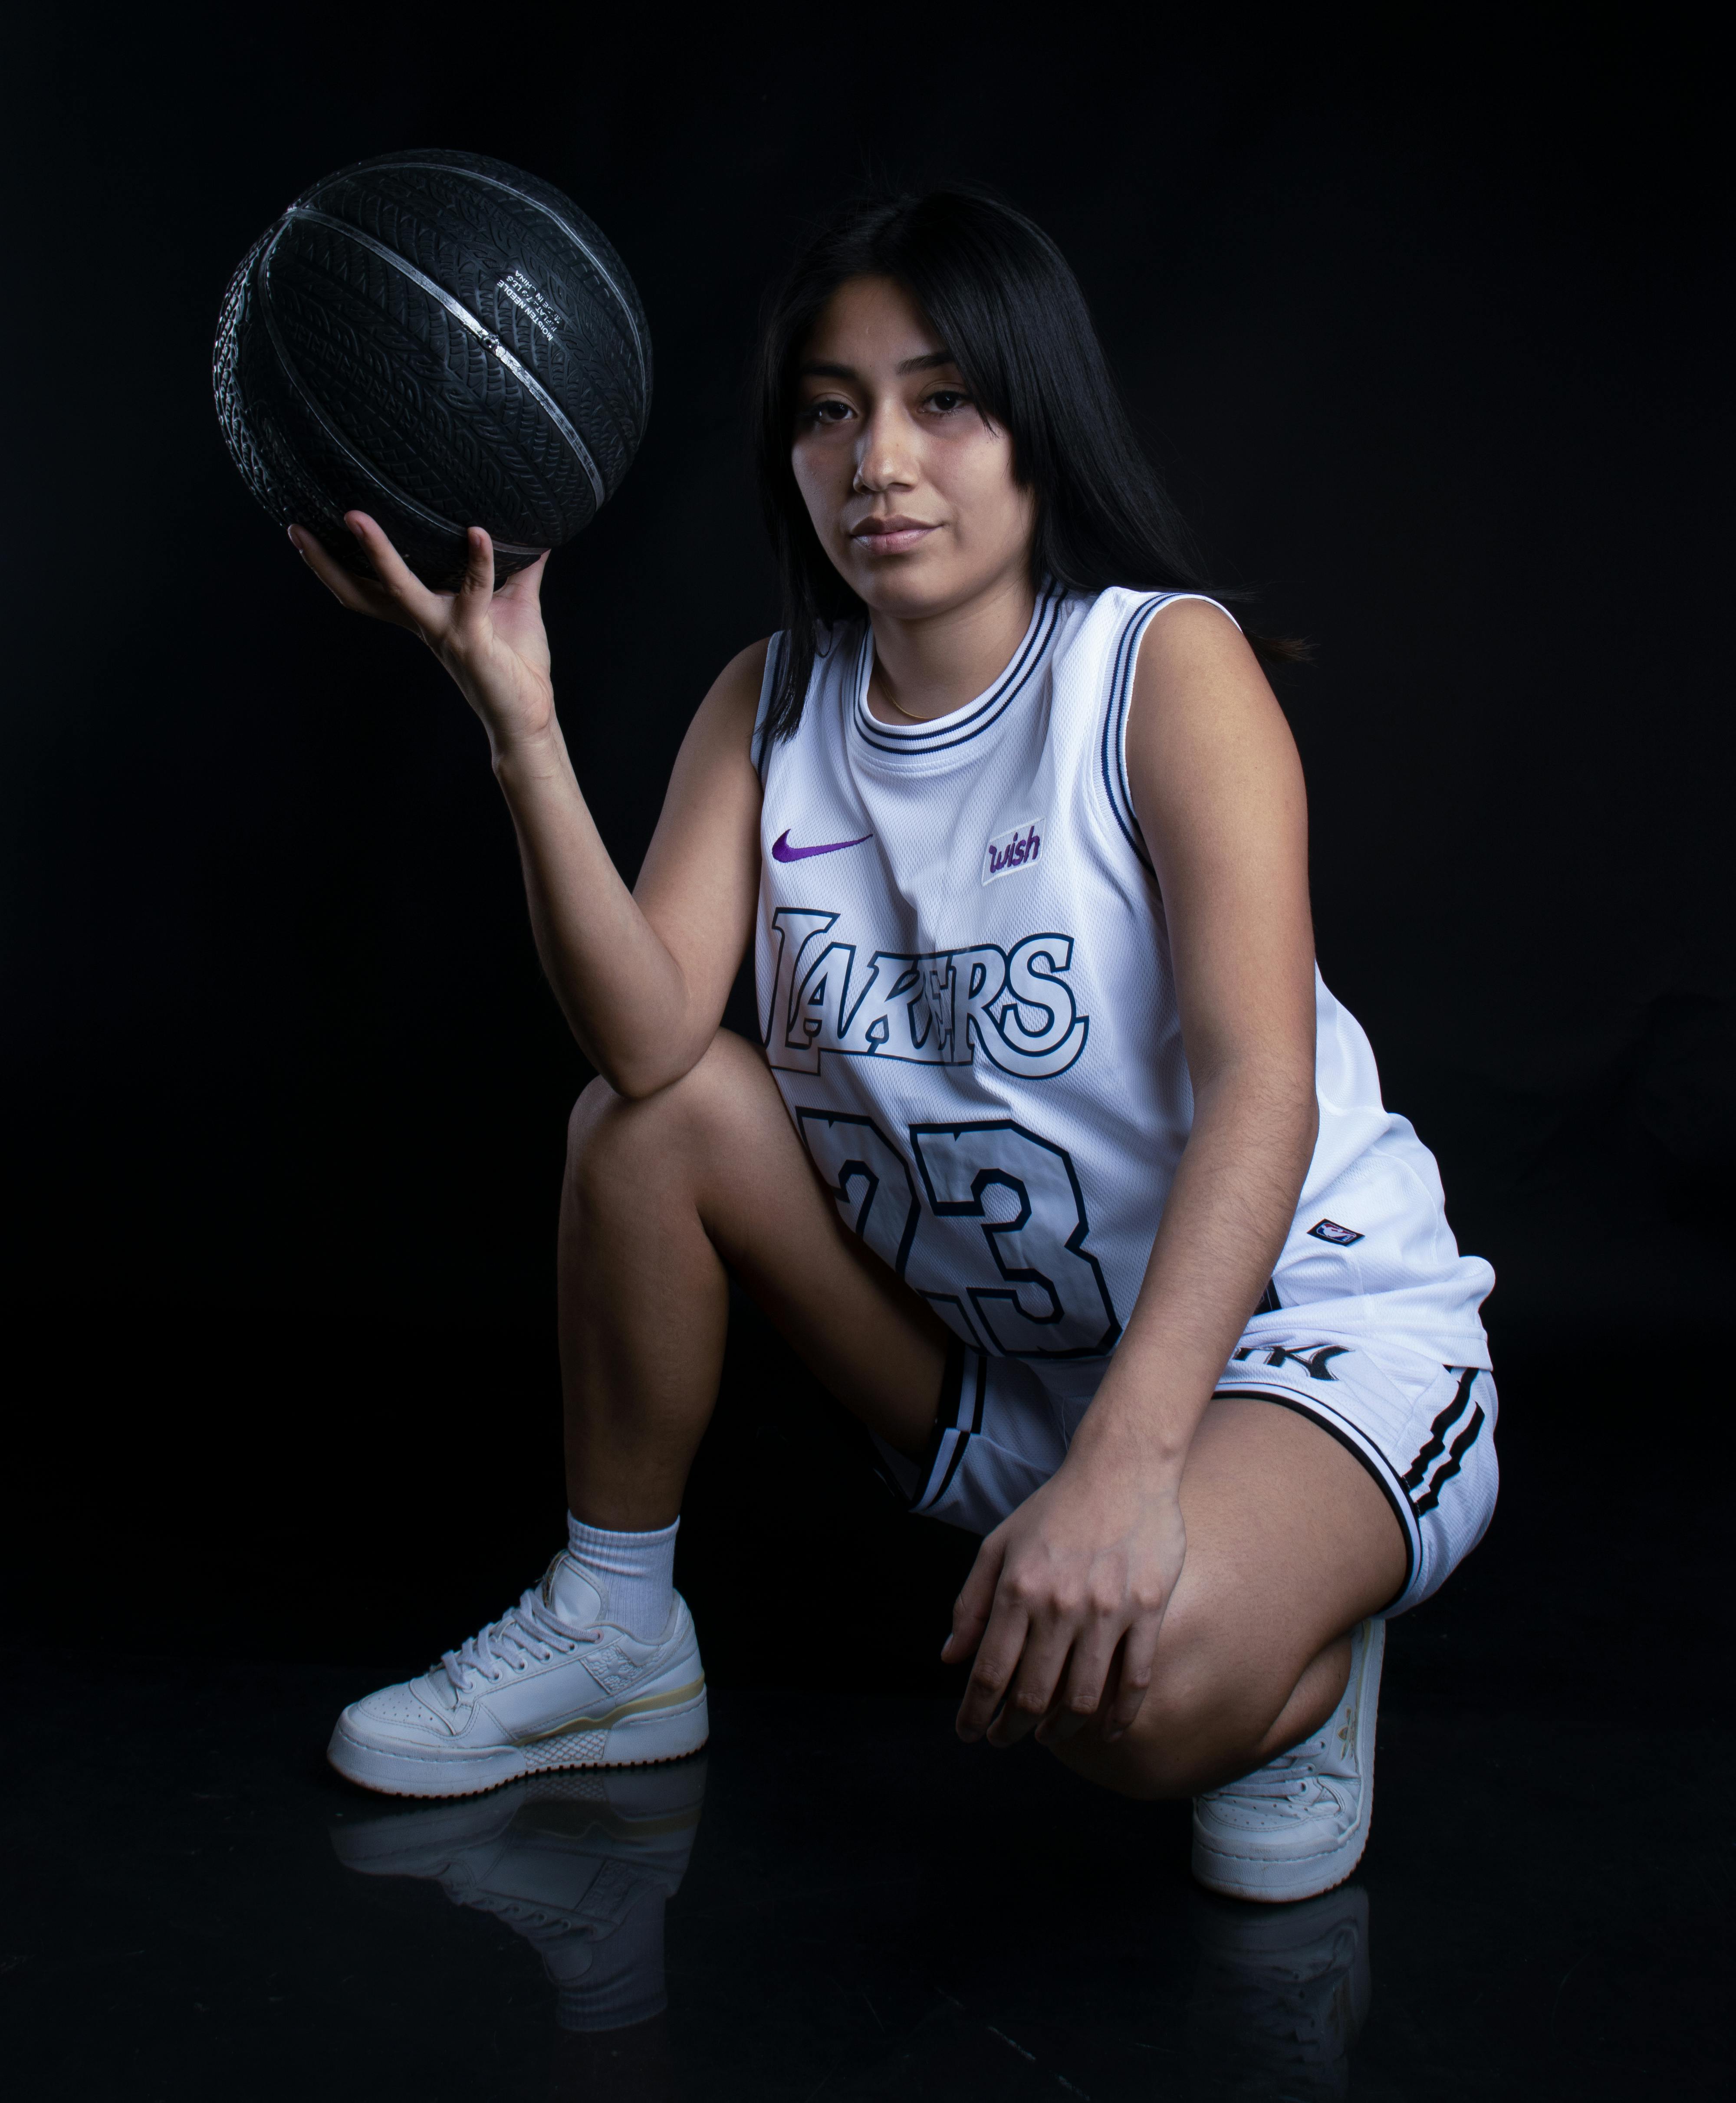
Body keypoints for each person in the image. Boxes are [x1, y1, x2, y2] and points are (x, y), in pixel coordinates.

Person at [296, 188, 1496, 1903]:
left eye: (942, 399)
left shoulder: (1156, 670)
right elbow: (649, 1051)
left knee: (1130, 1716)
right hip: (1005, 1385)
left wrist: (1136, 1475)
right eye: (830, 408)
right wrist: (523, 732)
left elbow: (1261, 1088)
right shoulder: (769, 702)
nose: (879, 458)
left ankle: (1304, 1646)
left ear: (1038, 426)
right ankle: (613, 1626)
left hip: (1295, 1351)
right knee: (645, 1124)